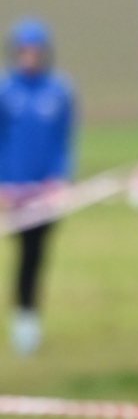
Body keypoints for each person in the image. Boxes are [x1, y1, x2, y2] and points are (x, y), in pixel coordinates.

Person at [0, 18, 77, 356]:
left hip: (45, 191)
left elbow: (64, 141)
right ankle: (23, 318)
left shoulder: (58, 91)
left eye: (34, 51)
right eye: (23, 51)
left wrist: (60, 178)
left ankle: (26, 320)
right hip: (12, 191)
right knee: (22, 252)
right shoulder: (5, 91)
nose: (29, 57)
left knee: (35, 254)